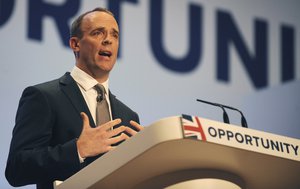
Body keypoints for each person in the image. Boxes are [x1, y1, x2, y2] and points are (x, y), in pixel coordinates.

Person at [5, 7, 143, 189]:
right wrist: (77, 149)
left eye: (114, 35)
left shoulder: (129, 117)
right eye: (98, 33)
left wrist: (145, 161)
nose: (108, 40)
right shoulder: (44, 97)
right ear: (75, 44)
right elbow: (17, 169)